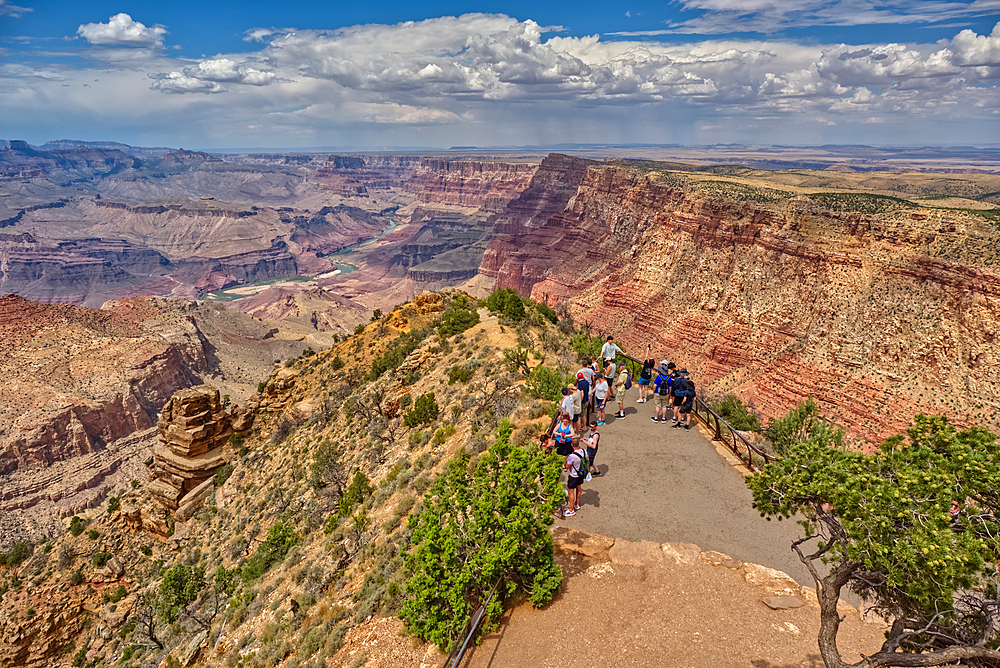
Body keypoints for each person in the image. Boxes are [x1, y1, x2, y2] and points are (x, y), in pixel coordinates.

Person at [563, 438, 588, 516]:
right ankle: (576, 504)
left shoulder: (572, 456)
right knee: (579, 488)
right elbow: (587, 461)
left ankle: (571, 510)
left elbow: (567, 466)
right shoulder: (584, 451)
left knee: (570, 491)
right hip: (581, 474)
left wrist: (564, 465)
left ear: (571, 445)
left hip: (574, 475)